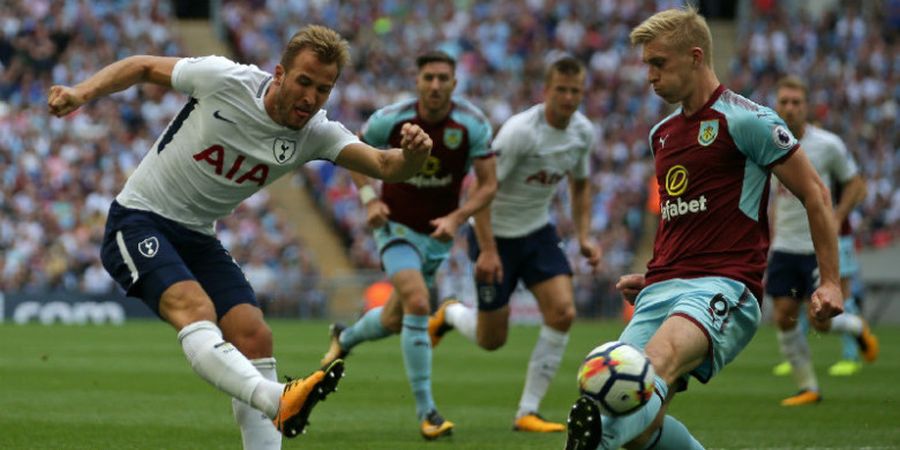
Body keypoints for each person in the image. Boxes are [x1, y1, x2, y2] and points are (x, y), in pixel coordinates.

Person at [47, 25, 433, 450]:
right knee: (197, 308)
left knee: (254, 335)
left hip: (198, 236)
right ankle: (277, 399)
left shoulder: (316, 133)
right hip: (139, 219)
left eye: (323, 89)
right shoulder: (224, 79)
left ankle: (276, 411)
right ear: (280, 74)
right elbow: (141, 66)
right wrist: (80, 94)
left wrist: (415, 156)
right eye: (304, 82)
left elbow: (385, 164)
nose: (310, 97)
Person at [564, 7, 844, 450]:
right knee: (639, 428)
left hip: (723, 285)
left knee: (639, 379)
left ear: (695, 57)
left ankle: (592, 440)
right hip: (662, 288)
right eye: (647, 66)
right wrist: (656, 274)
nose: (650, 76)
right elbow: (681, 214)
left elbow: (816, 194)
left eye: (659, 63)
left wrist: (830, 280)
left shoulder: (748, 120)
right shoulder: (662, 133)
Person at [319, 50, 496, 440]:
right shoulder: (391, 118)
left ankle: (344, 337)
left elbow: (488, 185)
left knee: (394, 319)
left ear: (454, 83)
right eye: (428, 77)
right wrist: (370, 200)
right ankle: (427, 412)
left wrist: (457, 218)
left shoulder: (472, 124)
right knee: (418, 302)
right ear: (417, 81)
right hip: (395, 227)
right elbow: (353, 152)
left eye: (442, 78)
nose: (435, 85)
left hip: (437, 236)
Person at [427, 55, 601, 433]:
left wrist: (584, 235)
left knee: (563, 313)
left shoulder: (583, 132)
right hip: (493, 233)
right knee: (492, 340)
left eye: (576, 91)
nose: (569, 98)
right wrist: (487, 250)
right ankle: (452, 314)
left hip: (538, 232)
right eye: (562, 90)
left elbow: (581, 184)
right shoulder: (521, 131)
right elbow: (482, 190)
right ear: (546, 91)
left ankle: (527, 411)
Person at [766, 75, 878, 405]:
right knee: (783, 313)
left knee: (822, 319)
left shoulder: (827, 145)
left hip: (817, 247)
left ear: (807, 107)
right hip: (784, 245)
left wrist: (837, 217)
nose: (789, 108)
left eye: (795, 102)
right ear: (776, 104)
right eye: (783, 101)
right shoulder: (767, 141)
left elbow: (857, 184)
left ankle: (857, 329)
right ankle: (808, 388)